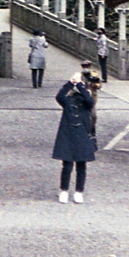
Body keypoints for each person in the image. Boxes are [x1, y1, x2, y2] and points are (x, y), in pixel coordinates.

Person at [52, 71, 96, 203]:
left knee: (81, 165)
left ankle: (79, 191)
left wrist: (81, 86)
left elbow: (89, 101)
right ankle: (64, 190)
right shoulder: (67, 101)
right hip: (68, 134)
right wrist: (70, 83)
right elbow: (59, 96)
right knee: (67, 165)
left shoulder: (86, 103)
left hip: (82, 135)